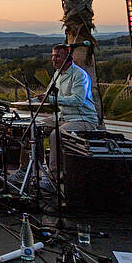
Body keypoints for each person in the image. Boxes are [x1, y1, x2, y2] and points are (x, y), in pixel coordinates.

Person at [47, 43, 97, 175]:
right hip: (62, 117)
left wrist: (51, 100)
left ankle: (54, 175)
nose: (54, 59)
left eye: (58, 56)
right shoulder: (57, 74)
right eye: (53, 56)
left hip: (83, 120)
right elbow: (48, 95)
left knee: (56, 135)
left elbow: (78, 100)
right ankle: (26, 169)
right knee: (33, 127)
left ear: (68, 58)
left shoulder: (79, 74)